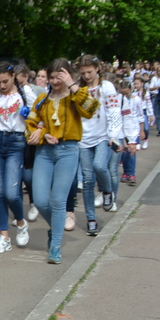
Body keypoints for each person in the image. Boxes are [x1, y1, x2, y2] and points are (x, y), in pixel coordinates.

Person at [26, 59, 99, 264]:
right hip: (45, 151)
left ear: (68, 76)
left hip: (68, 150)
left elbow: (90, 109)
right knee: (40, 200)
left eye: (61, 76)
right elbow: (30, 124)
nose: (56, 80)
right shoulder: (42, 99)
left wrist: (72, 85)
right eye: (52, 76)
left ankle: (55, 246)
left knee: (59, 201)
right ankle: (56, 228)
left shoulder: (76, 96)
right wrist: (41, 134)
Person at [0, 62, 34, 254]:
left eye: (5, 81)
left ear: (13, 77)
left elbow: (37, 117)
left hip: (16, 143)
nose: (2, 86)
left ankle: (20, 221)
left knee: (12, 193)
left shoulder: (24, 94)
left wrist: (35, 128)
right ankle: (4, 237)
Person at [76, 55, 121, 236]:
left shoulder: (106, 87)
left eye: (90, 71)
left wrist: (113, 135)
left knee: (99, 166)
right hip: (83, 139)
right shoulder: (79, 89)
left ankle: (107, 191)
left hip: (103, 136)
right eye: (83, 72)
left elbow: (113, 110)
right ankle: (91, 220)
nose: (87, 75)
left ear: (97, 69)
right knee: (87, 181)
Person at [120, 80, 145, 185]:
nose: (125, 95)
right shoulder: (120, 100)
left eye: (127, 92)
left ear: (131, 90)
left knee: (132, 153)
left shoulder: (137, 100)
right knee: (124, 153)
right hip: (123, 130)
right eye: (123, 93)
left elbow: (140, 115)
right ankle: (125, 172)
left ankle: (131, 173)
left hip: (134, 130)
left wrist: (142, 130)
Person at [148, 64, 160, 137]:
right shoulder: (154, 78)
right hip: (156, 97)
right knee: (158, 115)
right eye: (159, 71)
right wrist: (155, 88)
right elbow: (150, 88)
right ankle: (159, 130)